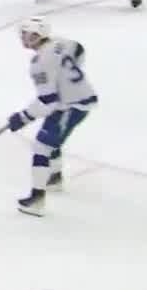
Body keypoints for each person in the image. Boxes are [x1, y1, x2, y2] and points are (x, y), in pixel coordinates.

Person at [5, 17, 98, 217]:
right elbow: (78, 50)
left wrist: (22, 117)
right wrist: (66, 78)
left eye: (27, 34)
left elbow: (48, 102)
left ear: (37, 36)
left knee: (42, 146)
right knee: (50, 140)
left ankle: (37, 200)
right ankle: (54, 178)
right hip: (72, 101)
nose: (23, 38)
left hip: (73, 106)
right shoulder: (62, 43)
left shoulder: (39, 64)